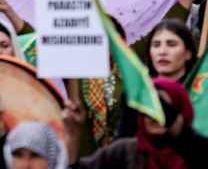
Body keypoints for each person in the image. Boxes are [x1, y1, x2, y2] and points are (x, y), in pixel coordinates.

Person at [66, 78, 208, 168]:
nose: (154, 117)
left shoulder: (196, 153)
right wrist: (72, 135)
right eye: (148, 109)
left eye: (163, 111)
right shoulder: (124, 152)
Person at [146, 19, 197, 84]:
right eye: (156, 45)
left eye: (172, 45)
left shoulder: (201, 91)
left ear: (188, 53)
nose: (162, 52)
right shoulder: (140, 91)